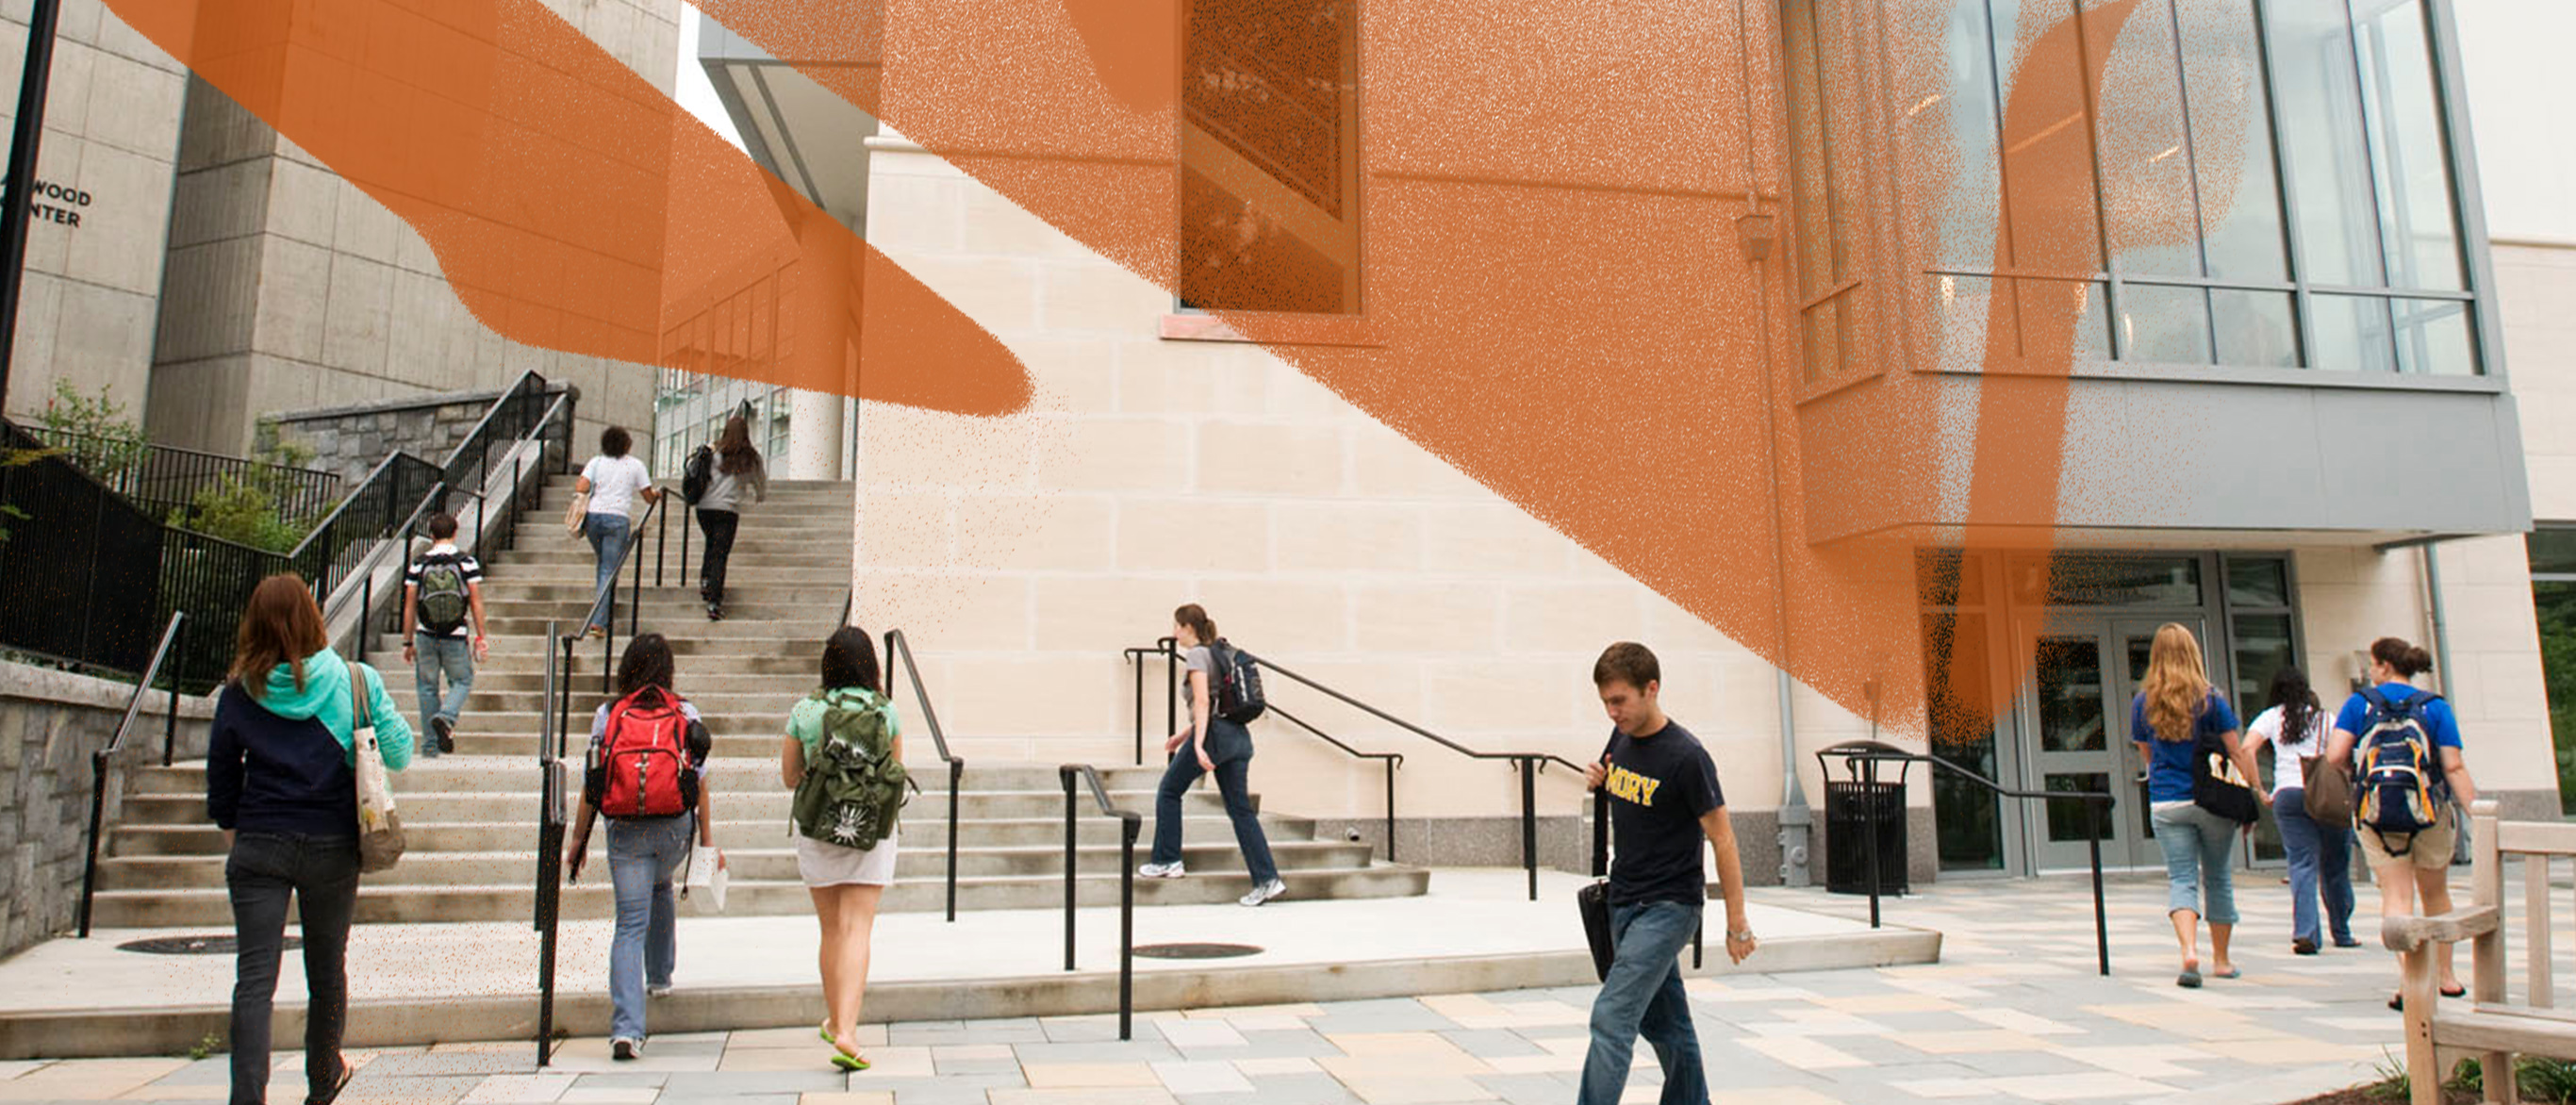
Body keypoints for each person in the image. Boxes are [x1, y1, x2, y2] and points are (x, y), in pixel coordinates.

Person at [207, 573, 414, 1105]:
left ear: (254, 624)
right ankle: (323, 1080)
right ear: (312, 618)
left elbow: (222, 783)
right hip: (332, 844)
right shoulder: (352, 680)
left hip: (259, 842)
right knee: (326, 970)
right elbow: (399, 752)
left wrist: (240, 834)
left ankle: (246, 1097)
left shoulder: (238, 692)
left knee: (254, 979)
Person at [1577, 641, 1754, 1105]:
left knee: (1612, 1017)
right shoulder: (1621, 738)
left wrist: (1736, 922)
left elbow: (1723, 838)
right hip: (1623, 902)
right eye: (1605, 703)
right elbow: (1617, 779)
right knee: (1668, 1026)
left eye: (1620, 700)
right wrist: (1601, 779)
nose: (1612, 712)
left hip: (1669, 907)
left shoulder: (1686, 756)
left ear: (1651, 689)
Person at [563, 634, 715, 1059]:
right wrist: (706, 841)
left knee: (629, 924)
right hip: (673, 830)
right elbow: (700, 783)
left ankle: (627, 1029)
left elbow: (593, 785)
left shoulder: (609, 713)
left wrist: (577, 840)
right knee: (661, 885)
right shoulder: (685, 711)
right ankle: (661, 975)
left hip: (625, 829)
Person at [2325, 635, 2479, 1011]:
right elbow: (2453, 764)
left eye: (2374, 665)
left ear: (2383, 666)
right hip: (2429, 812)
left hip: (2376, 812)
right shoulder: (2435, 707)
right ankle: (2445, 977)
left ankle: (2411, 980)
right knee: (2435, 893)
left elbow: (2334, 756)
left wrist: (2357, 775)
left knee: (2396, 896)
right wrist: (2479, 812)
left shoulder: (2360, 705)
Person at [782, 627, 901, 1071]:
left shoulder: (806, 710)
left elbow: (790, 777)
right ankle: (847, 1031)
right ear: (871, 665)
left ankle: (836, 1021)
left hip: (817, 829)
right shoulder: (885, 711)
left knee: (831, 930)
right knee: (858, 930)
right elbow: (896, 771)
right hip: (869, 831)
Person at [2130, 622, 2264, 989]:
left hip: (2168, 800)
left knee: (2182, 878)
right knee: (2218, 877)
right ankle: (2221, 960)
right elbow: (2236, 751)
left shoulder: (2143, 702)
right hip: (2213, 801)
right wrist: (2254, 791)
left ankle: (2189, 951)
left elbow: (2146, 753)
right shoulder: (2210, 700)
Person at [1135, 603, 1287, 907]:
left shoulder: (1196, 655)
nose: (1173, 632)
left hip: (1215, 737)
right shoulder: (1218, 653)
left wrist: (1200, 744)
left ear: (1187, 627)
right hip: (1238, 739)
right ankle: (1267, 880)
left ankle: (1167, 860)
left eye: (1176, 626)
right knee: (1241, 811)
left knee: (1169, 791)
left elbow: (1203, 702)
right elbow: (1216, 704)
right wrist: (1184, 735)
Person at [2241, 665, 2359, 954]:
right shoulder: (2325, 719)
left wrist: (2259, 788)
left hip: (2288, 794)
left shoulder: (2271, 717)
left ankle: (2306, 932)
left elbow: (2246, 749)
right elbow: (2343, 753)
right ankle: (2342, 932)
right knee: (2335, 864)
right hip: (2325, 795)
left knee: (2301, 864)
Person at [400, 513, 487, 756]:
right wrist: (481, 636)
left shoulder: (418, 563)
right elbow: (476, 601)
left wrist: (407, 641)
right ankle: (446, 717)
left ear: (431, 534)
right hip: (455, 633)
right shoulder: (466, 562)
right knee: (462, 680)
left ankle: (430, 748)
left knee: (427, 688)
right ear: (455, 532)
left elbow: (409, 605)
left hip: (425, 634)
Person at [575, 426, 659, 638]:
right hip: (617, 519)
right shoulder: (636, 465)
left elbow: (582, 486)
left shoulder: (596, 462)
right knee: (608, 569)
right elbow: (648, 497)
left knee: (604, 564)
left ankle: (601, 607)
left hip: (593, 517)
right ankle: (598, 622)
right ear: (626, 445)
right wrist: (656, 494)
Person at [695, 415, 768, 621]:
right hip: (727, 509)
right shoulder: (750, 457)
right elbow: (760, 482)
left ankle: (705, 580)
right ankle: (713, 601)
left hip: (704, 508)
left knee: (711, 544)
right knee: (720, 553)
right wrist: (760, 496)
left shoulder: (713, 452)